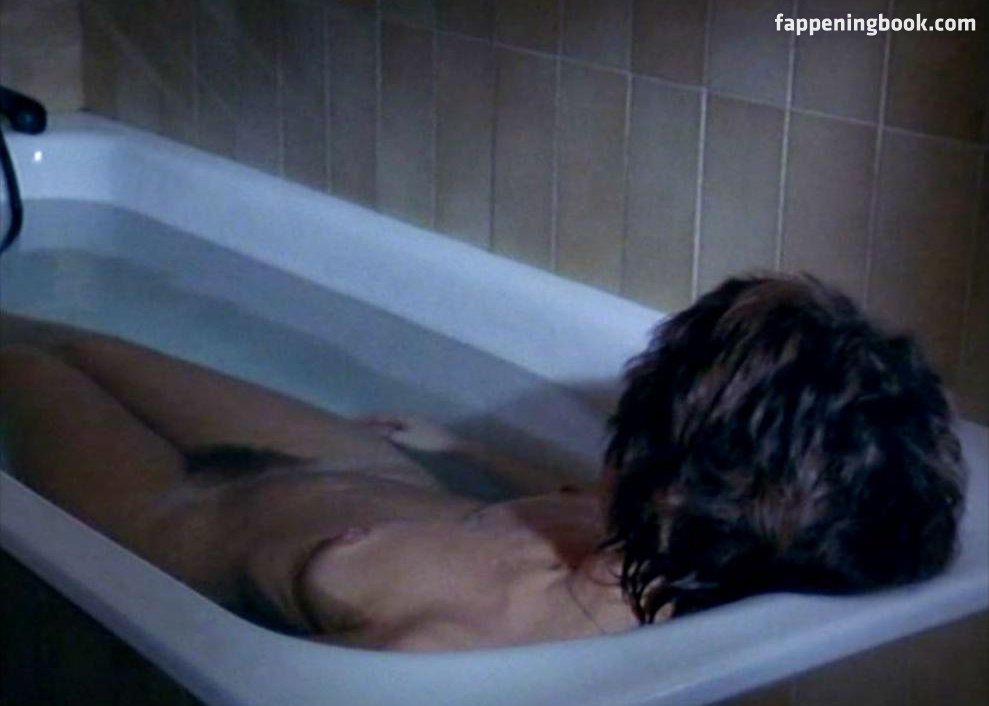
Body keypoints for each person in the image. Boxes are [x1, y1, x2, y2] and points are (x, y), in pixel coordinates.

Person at [0, 274, 965, 651]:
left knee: (28, 367)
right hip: (365, 469)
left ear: (670, 483)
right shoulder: (683, 542)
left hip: (185, 521)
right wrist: (465, 450)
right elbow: (578, 497)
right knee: (89, 344)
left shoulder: (446, 646)